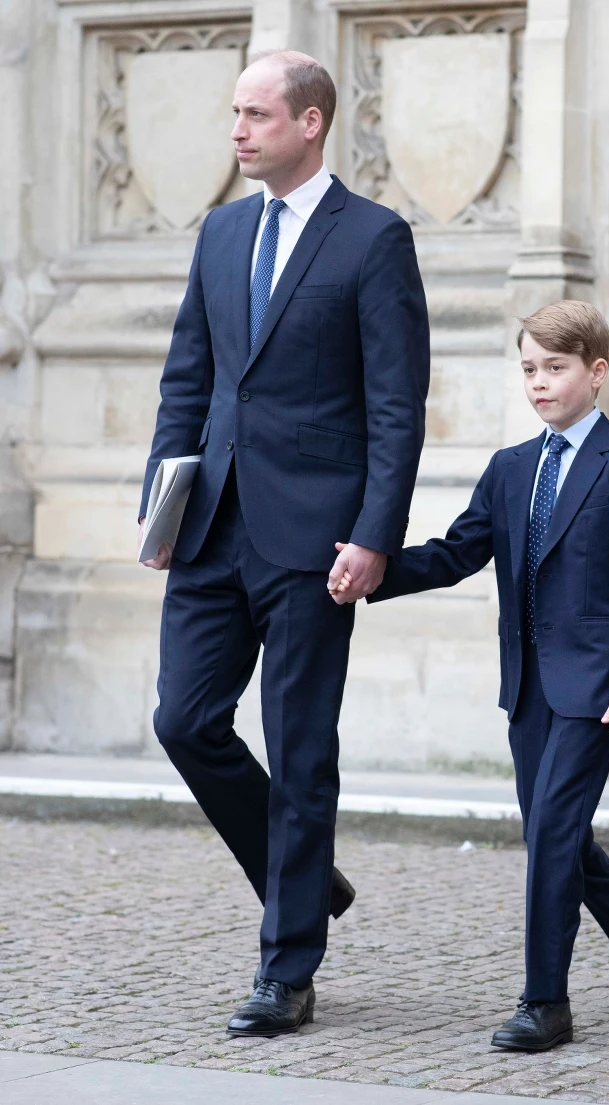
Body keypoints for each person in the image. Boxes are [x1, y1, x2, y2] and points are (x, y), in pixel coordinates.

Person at [139, 51, 429, 1037]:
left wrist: (375, 536)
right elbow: (189, 376)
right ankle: (309, 880)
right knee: (183, 719)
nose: (237, 130)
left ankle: (286, 967)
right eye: (234, 112)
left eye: (258, 114)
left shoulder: (375, 239)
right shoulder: (220, 232)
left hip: (315, 543)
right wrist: (162, 511)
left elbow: (396, 406)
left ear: (311, 123)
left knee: (302, 753)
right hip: (212, 529)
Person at [341, 301, 609, 1052]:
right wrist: (376, 569)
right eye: (528, 368)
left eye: (555, 368)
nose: (539, 382)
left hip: (595, 685)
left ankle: (544, 1001)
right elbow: (458, 551)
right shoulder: (510, 468)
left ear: (596, 371)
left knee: (553, 830)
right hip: (526, 683)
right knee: (553, 831)